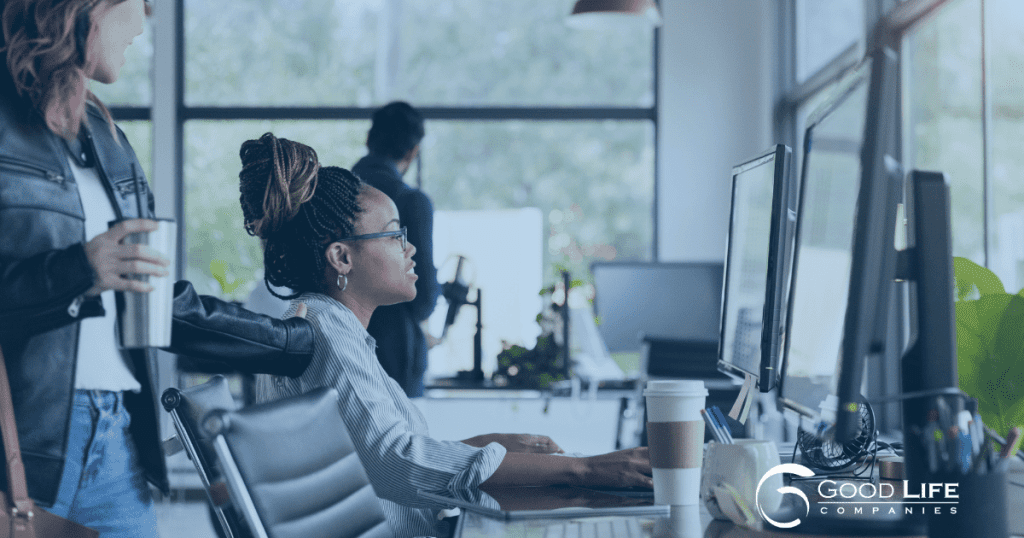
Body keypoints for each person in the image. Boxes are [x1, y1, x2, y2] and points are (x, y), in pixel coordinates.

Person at [0, 2, 313, 536]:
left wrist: (294, 342)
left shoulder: (102, 132)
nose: (143, 25)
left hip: (116, 434)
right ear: (87, 7)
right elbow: (88, 271)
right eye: (138, 5)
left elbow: (158, 300)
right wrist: (79, 270)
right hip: (24, 446)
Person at [243, 133, 652, 538]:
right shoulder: (325, 333)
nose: (411, 249)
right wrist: (587, 468)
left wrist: (487, 447)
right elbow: (398, 462)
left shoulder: (333, 328)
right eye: (394, 235)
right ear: (342, 257)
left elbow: (379, 452)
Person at [352, 101, 438, 397]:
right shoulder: (411, 202)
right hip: (395, 355)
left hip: (340, 344)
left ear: (369, 140)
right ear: (413, 151)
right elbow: (423, 297)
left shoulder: (332, 193)